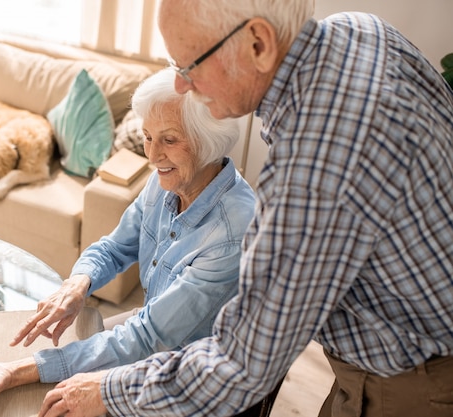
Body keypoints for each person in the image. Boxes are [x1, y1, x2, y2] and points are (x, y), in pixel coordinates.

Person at [37, 1, 453, 416]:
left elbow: (241, 363)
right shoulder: (360, 29)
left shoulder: (312, 167)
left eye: (190, 66)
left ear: (258, 43)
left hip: (411, 385)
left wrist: (107, 393)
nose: (182, 86)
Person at [0, 68, 256, 407]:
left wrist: (17, 371)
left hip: (188, 381)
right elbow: (115, 247)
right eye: (147, 136)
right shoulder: (166, 182)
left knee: (41, 391)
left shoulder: (233, 235)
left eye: (169, 140)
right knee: (43, 362)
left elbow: (146, 338)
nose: (152, 155)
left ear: (209, 141)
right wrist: (78, 284)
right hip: (152, 335)